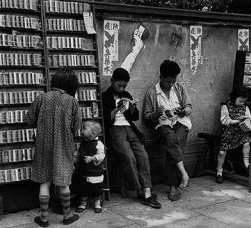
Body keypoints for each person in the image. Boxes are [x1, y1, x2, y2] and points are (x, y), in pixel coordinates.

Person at [25, 68, 80, 227]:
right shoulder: (72, 101)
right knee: (64, 182)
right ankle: (67, 215)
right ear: (71, 84)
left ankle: (43, 218)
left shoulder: (41, 98)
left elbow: (29, 119)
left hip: (43, 145)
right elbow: (76, 126)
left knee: (44, 181)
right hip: (64, 146)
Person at [102, 68, 161, 209]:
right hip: (115, 129)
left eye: (124, 86)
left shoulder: (126, 94)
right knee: (129, 157)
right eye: (119, 85)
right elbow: (104, 120)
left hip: (129, 128)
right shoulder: (105, 96)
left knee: (143, 155)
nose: (121, 88)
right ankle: (140, 191)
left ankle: (147, 189)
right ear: (112, 81)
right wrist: (118, 108)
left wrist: (132, 107)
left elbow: (134, 117)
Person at [143, 60, 191, 201]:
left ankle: (174, 185)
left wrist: (184, 110)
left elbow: (189, 107)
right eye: (168, 81)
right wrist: (156, 114)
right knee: (171, 137)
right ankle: (182, 174)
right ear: (161, 77)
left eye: (173, 81)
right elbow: (146, 117)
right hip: (162, 127)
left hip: (180, 122)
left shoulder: (179, 88)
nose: (171, 84)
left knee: (173, 141)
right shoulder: (152, 92)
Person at [216, 86, 251, 184]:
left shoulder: (245, 108)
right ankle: (219, 172)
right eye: (240, 101)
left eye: (244, 101)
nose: (242, 103)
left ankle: (246, 163)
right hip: (228, 133)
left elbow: (249, 118)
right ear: (234, 98)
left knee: (247, 142)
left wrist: (247, 119)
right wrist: (237, 120)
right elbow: (225, 121)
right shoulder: (226, 106)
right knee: (222, 152)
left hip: (241, 132)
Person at [74, 121, 105, 214]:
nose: (81, 131)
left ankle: (97, 203)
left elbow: (101, 155)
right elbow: (78, 154)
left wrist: (93, 158)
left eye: (84, 129)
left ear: (93, 133)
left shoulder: (98, 144)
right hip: (84, 171)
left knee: (95, 188)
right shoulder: (82, 143)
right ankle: (83, 203)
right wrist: (73, 159)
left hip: (94, 172)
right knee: (83, 188)